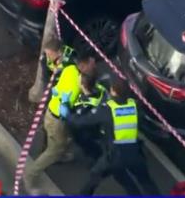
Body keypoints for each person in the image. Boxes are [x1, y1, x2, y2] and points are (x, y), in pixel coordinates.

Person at [66, 77, 160, 195]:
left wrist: (68, 114)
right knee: (145, 181)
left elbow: (81, 122)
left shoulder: (107, 109)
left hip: (115, 156)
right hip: (135, 154)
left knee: (94, 178)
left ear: (113, 92)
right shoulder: (134, 106)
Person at [24, 50, 97, 194]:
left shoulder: (70, 69)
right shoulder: (80, 80)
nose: (94, 66)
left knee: (65, 138)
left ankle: (62, 154)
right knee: (53, 151)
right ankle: (30, 174)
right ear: (83, 65)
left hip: (52, 113)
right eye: (91, 64)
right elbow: (84, 96)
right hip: (58, 119)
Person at [68, 74, 107, 161]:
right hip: (99, 124)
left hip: (91, 130)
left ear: (83, 86)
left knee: (82, 138)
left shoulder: (86, 105)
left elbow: (79, 121)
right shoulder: (100, 89)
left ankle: (96, 157)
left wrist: (68, 114)